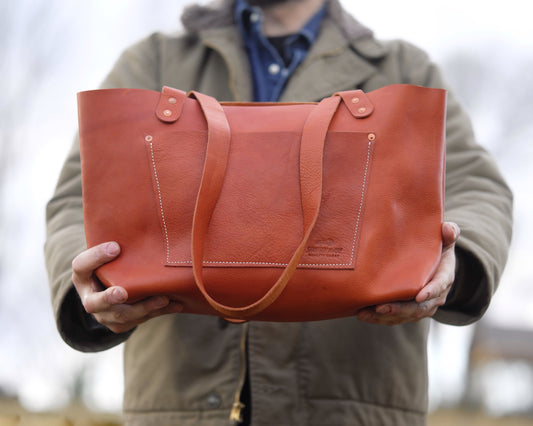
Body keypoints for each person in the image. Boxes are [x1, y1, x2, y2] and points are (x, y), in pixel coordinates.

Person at [45, 0, 513, 425]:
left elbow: (478, 188)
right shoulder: (153, 60)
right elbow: (76, 197)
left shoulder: (403, 67)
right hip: (181, 405)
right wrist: (89, 285)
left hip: (353, 405)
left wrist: (457, 259)